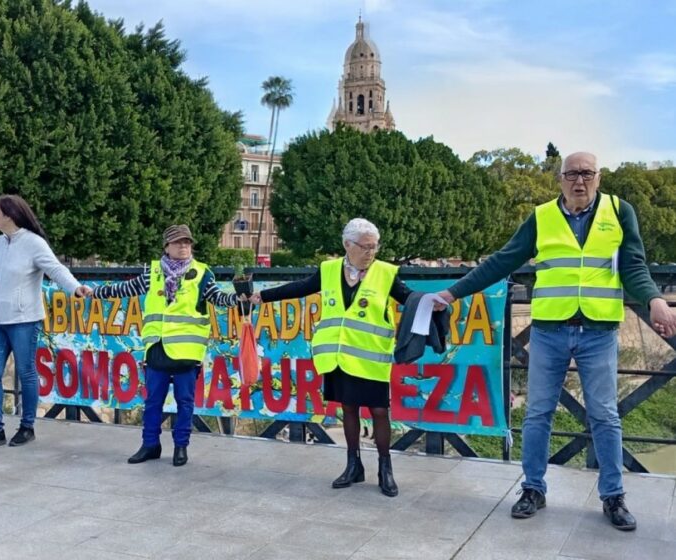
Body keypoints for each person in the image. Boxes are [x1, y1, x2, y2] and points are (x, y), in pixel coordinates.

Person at [437, 152, 676, 530]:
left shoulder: (619, 211)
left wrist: (655, 300)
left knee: (605, 415)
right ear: (560, 179)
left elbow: (633, 265)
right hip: (548, 331)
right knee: (538, 414)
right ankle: (533, 488)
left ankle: (613, 497)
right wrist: (453, 293)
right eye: (571, 174)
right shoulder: (541, 216)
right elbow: (503, 260)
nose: (579, 181)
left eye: (587, 174)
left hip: (598, 331)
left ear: (599, 177)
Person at [250, 218, 410, 497]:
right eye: (365, 246)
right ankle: (353, 465)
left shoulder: (385, 273)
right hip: (338, 356)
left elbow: (410, 298)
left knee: (379, 411)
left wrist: (439, 301)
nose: (371, 252)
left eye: (375, 247)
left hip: (370, 358)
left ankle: (385, 469)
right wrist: (263, 296)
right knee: (348, 407)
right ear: (347, 245)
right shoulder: (329, 270)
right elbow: (299, 288)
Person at [0, 195, 90, 451]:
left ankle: (27, 426)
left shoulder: (34, 244)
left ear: (9, 215)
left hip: (24, 321)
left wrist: (75, 288)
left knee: (26, 373)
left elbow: (55, 269)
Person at [90, 224, 239, 467]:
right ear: (167, 246)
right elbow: (124, 289)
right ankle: (150, 445)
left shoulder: (202, 273)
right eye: (178, 242)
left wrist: (239, 299)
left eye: (187, 242)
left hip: (187, 351)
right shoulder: (154, 273)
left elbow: (219, 297)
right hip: (157, 348)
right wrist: (93, 293)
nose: (184, 246)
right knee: (153, 401)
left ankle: (181, 447)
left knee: (184, 401)